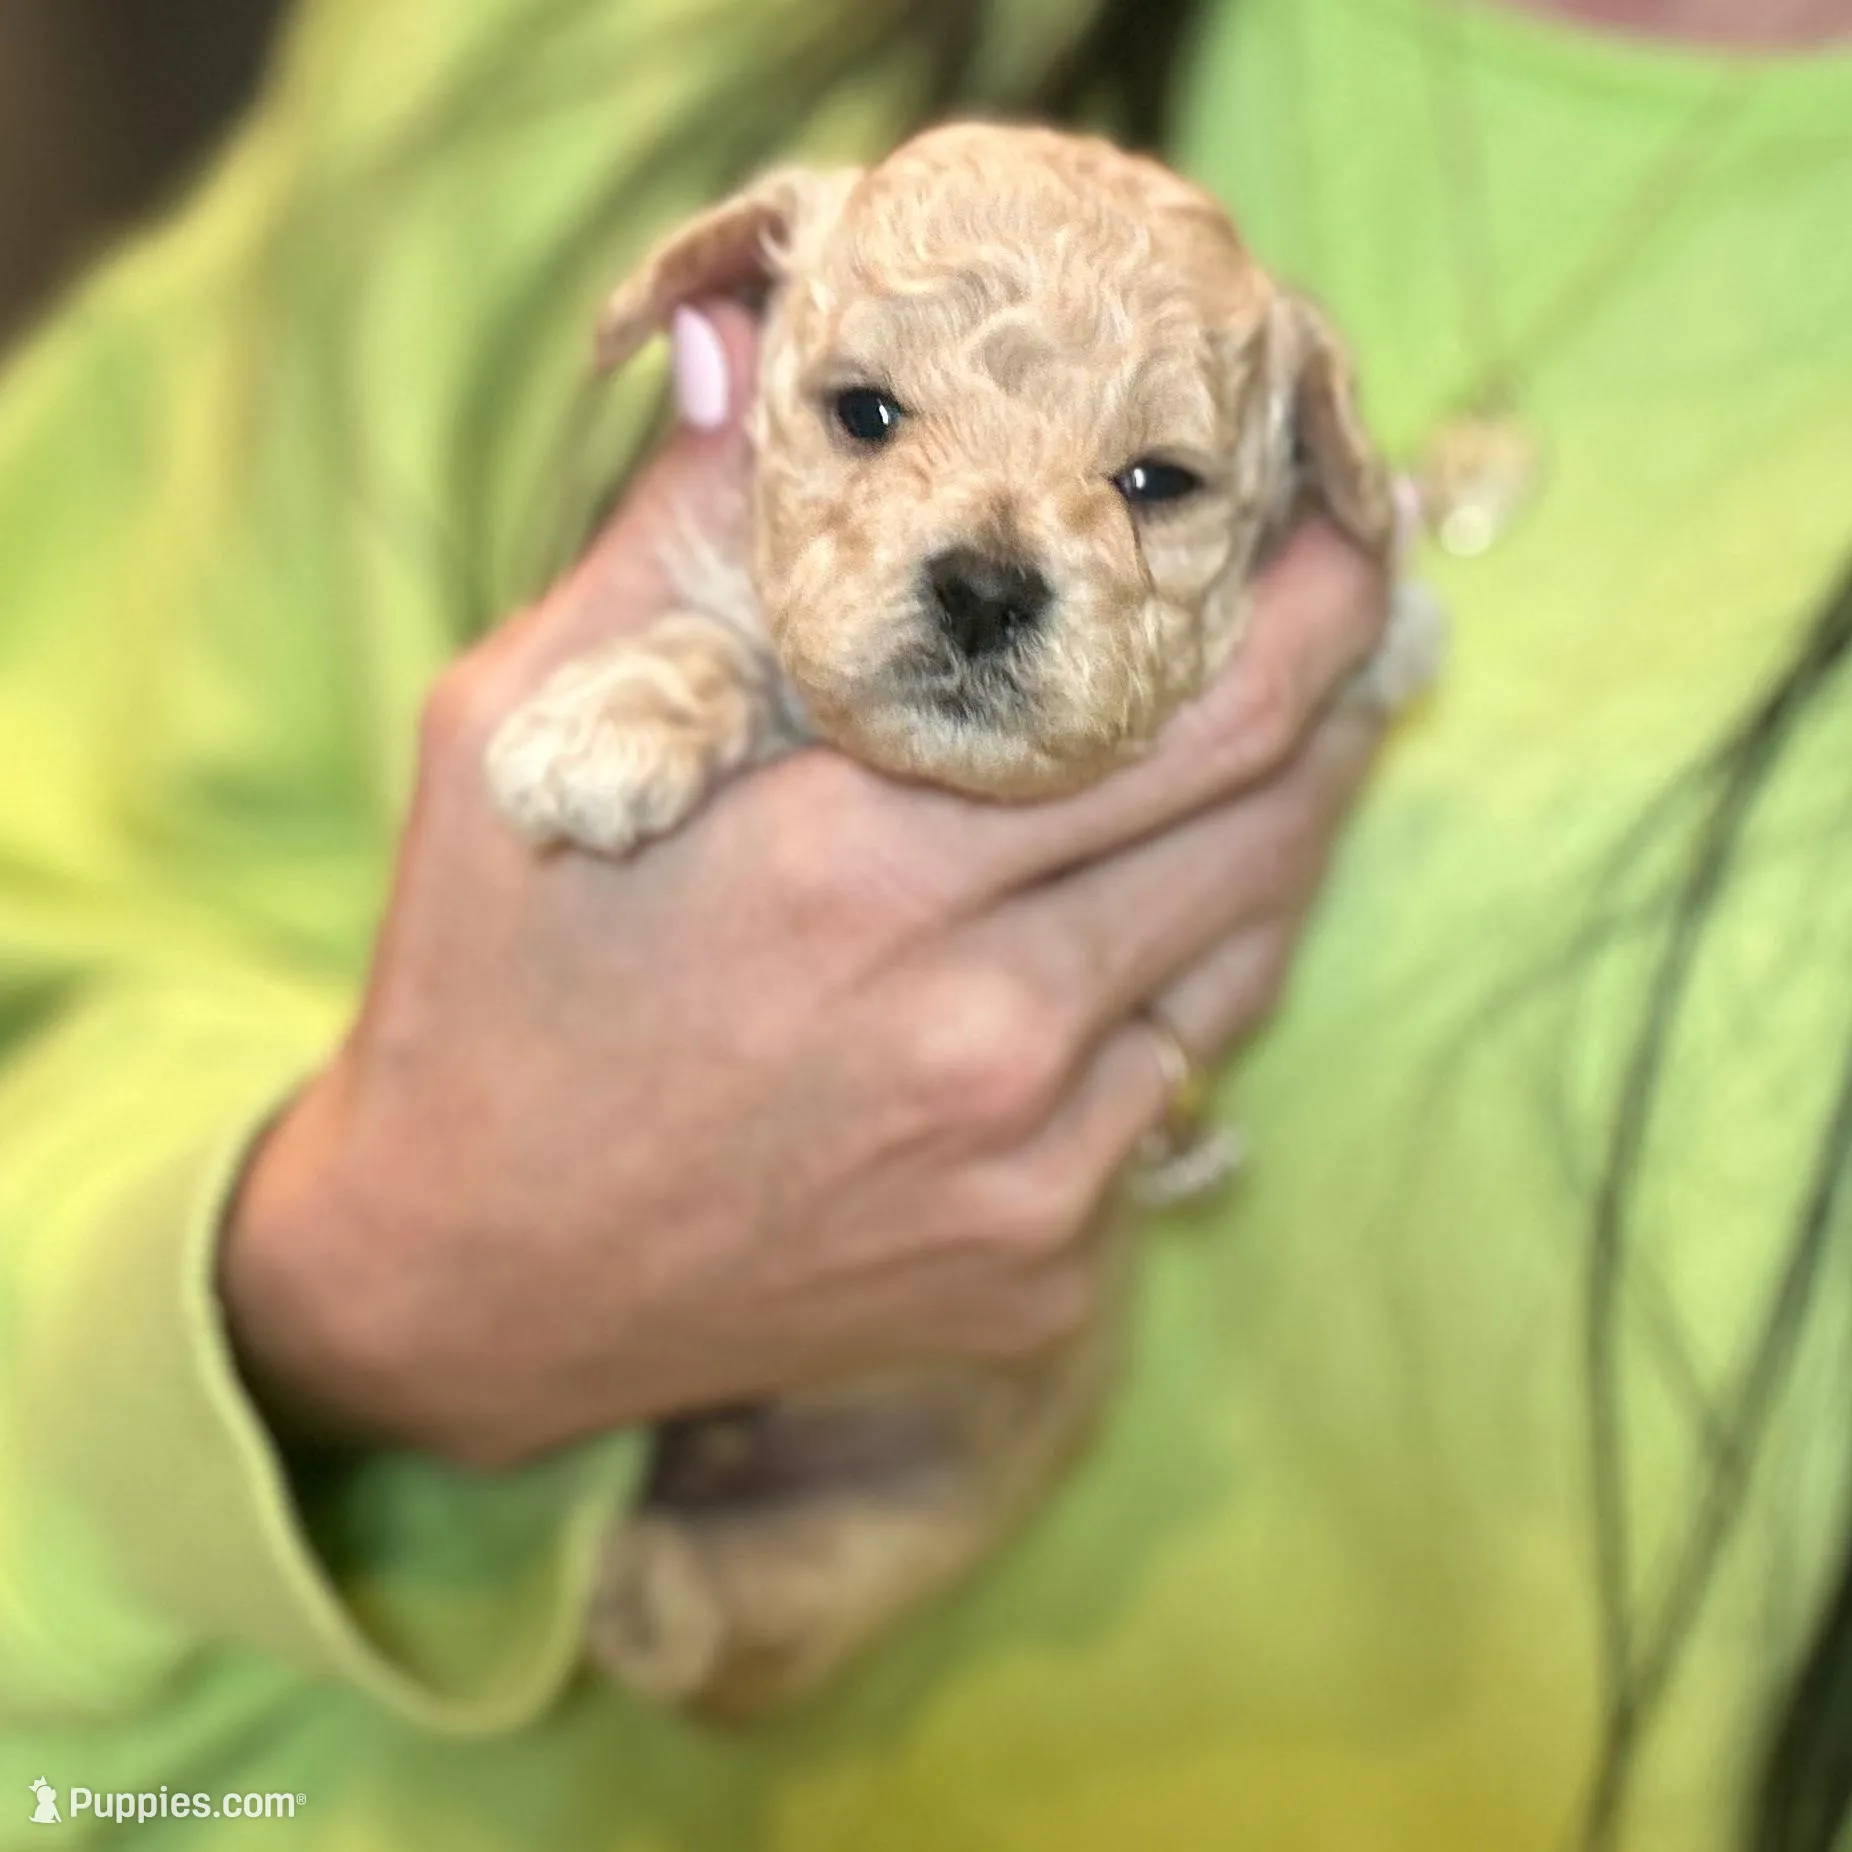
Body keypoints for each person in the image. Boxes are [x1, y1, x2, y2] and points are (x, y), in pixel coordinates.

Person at [0, 0, 1846, 1846]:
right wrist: (368, 1273)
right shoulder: (559, 52)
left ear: (1309, 458)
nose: (991, 564)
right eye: (869, 414)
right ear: (731, 312)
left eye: (1152, 484)